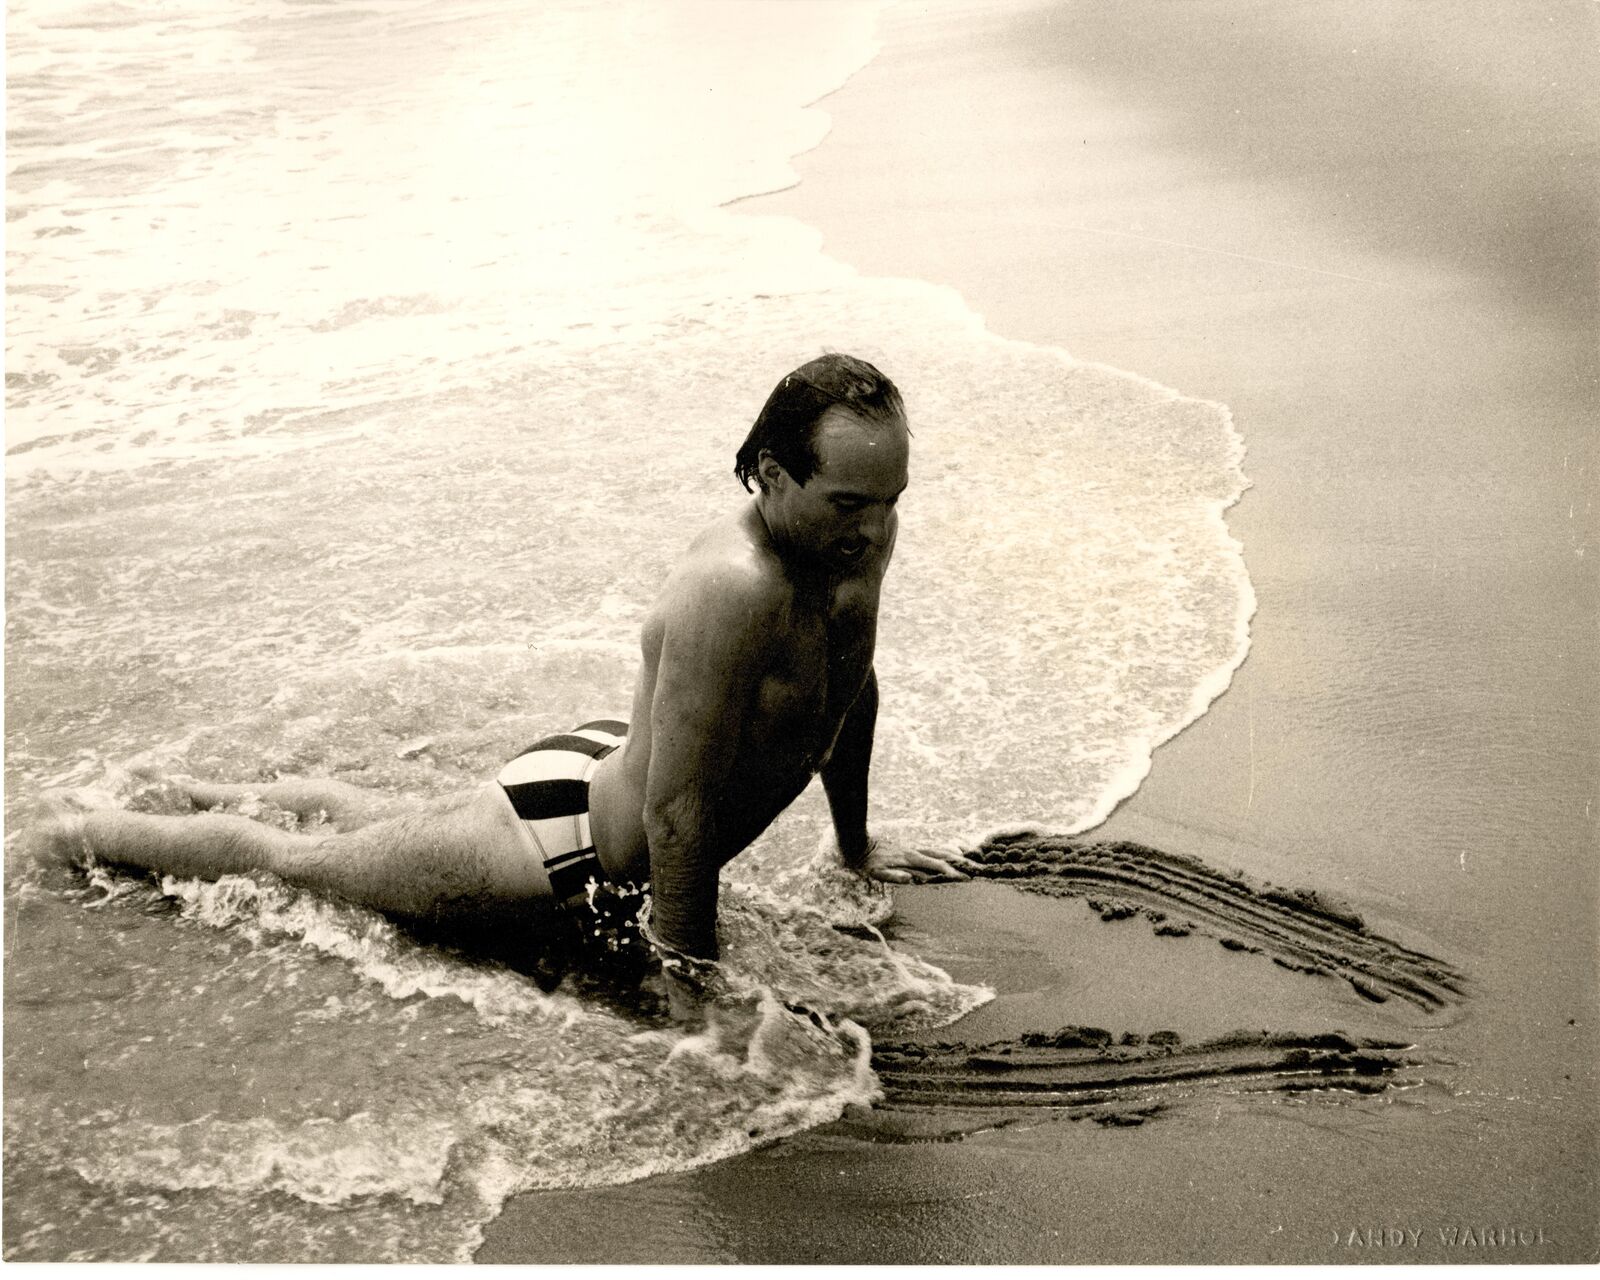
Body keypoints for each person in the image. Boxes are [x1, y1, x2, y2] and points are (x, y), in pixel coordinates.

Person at [39, 354, 977, 989]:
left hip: (606, 772)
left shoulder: (852, 542)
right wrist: (694, 979)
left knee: (379, 827)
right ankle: (75, 831)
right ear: (772, 476)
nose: (872, 527)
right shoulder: (732, 588)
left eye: (889, 501)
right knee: (296, 864)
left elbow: (847, 683)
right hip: (562, 851)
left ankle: (219, 788)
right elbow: (675, 815)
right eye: (850, 501)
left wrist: (855, 848)